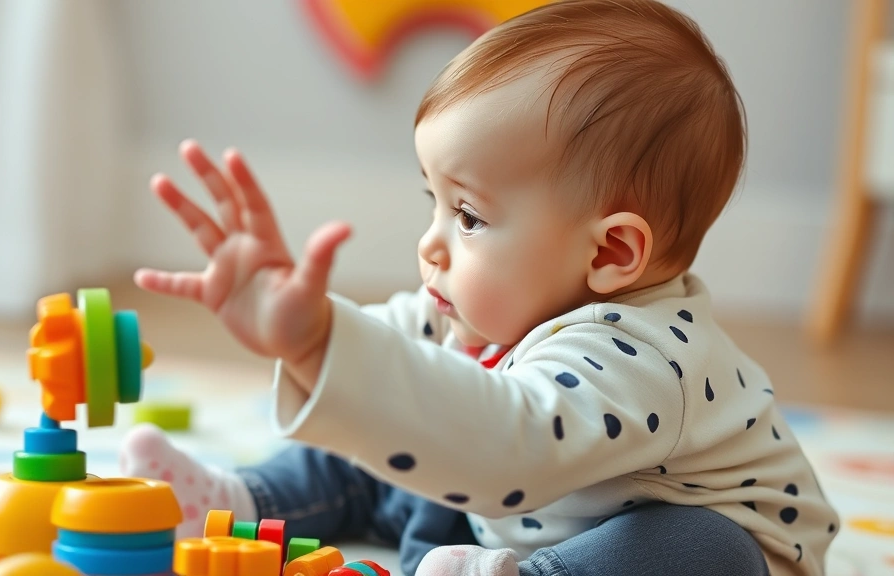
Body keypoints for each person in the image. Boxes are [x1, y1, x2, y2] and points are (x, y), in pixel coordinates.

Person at [119, 1, 839, 574]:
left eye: (467, 215)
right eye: (431, 200)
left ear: (613, 250)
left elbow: (508, 445)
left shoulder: (651, 362)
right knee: (382, 422)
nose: (430, 243)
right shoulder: (481, 307)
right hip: (512, 507)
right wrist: (309, 331)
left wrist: (335, 355)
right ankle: (244, 502)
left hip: (689, 537)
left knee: (698, 550)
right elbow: (388, 361)